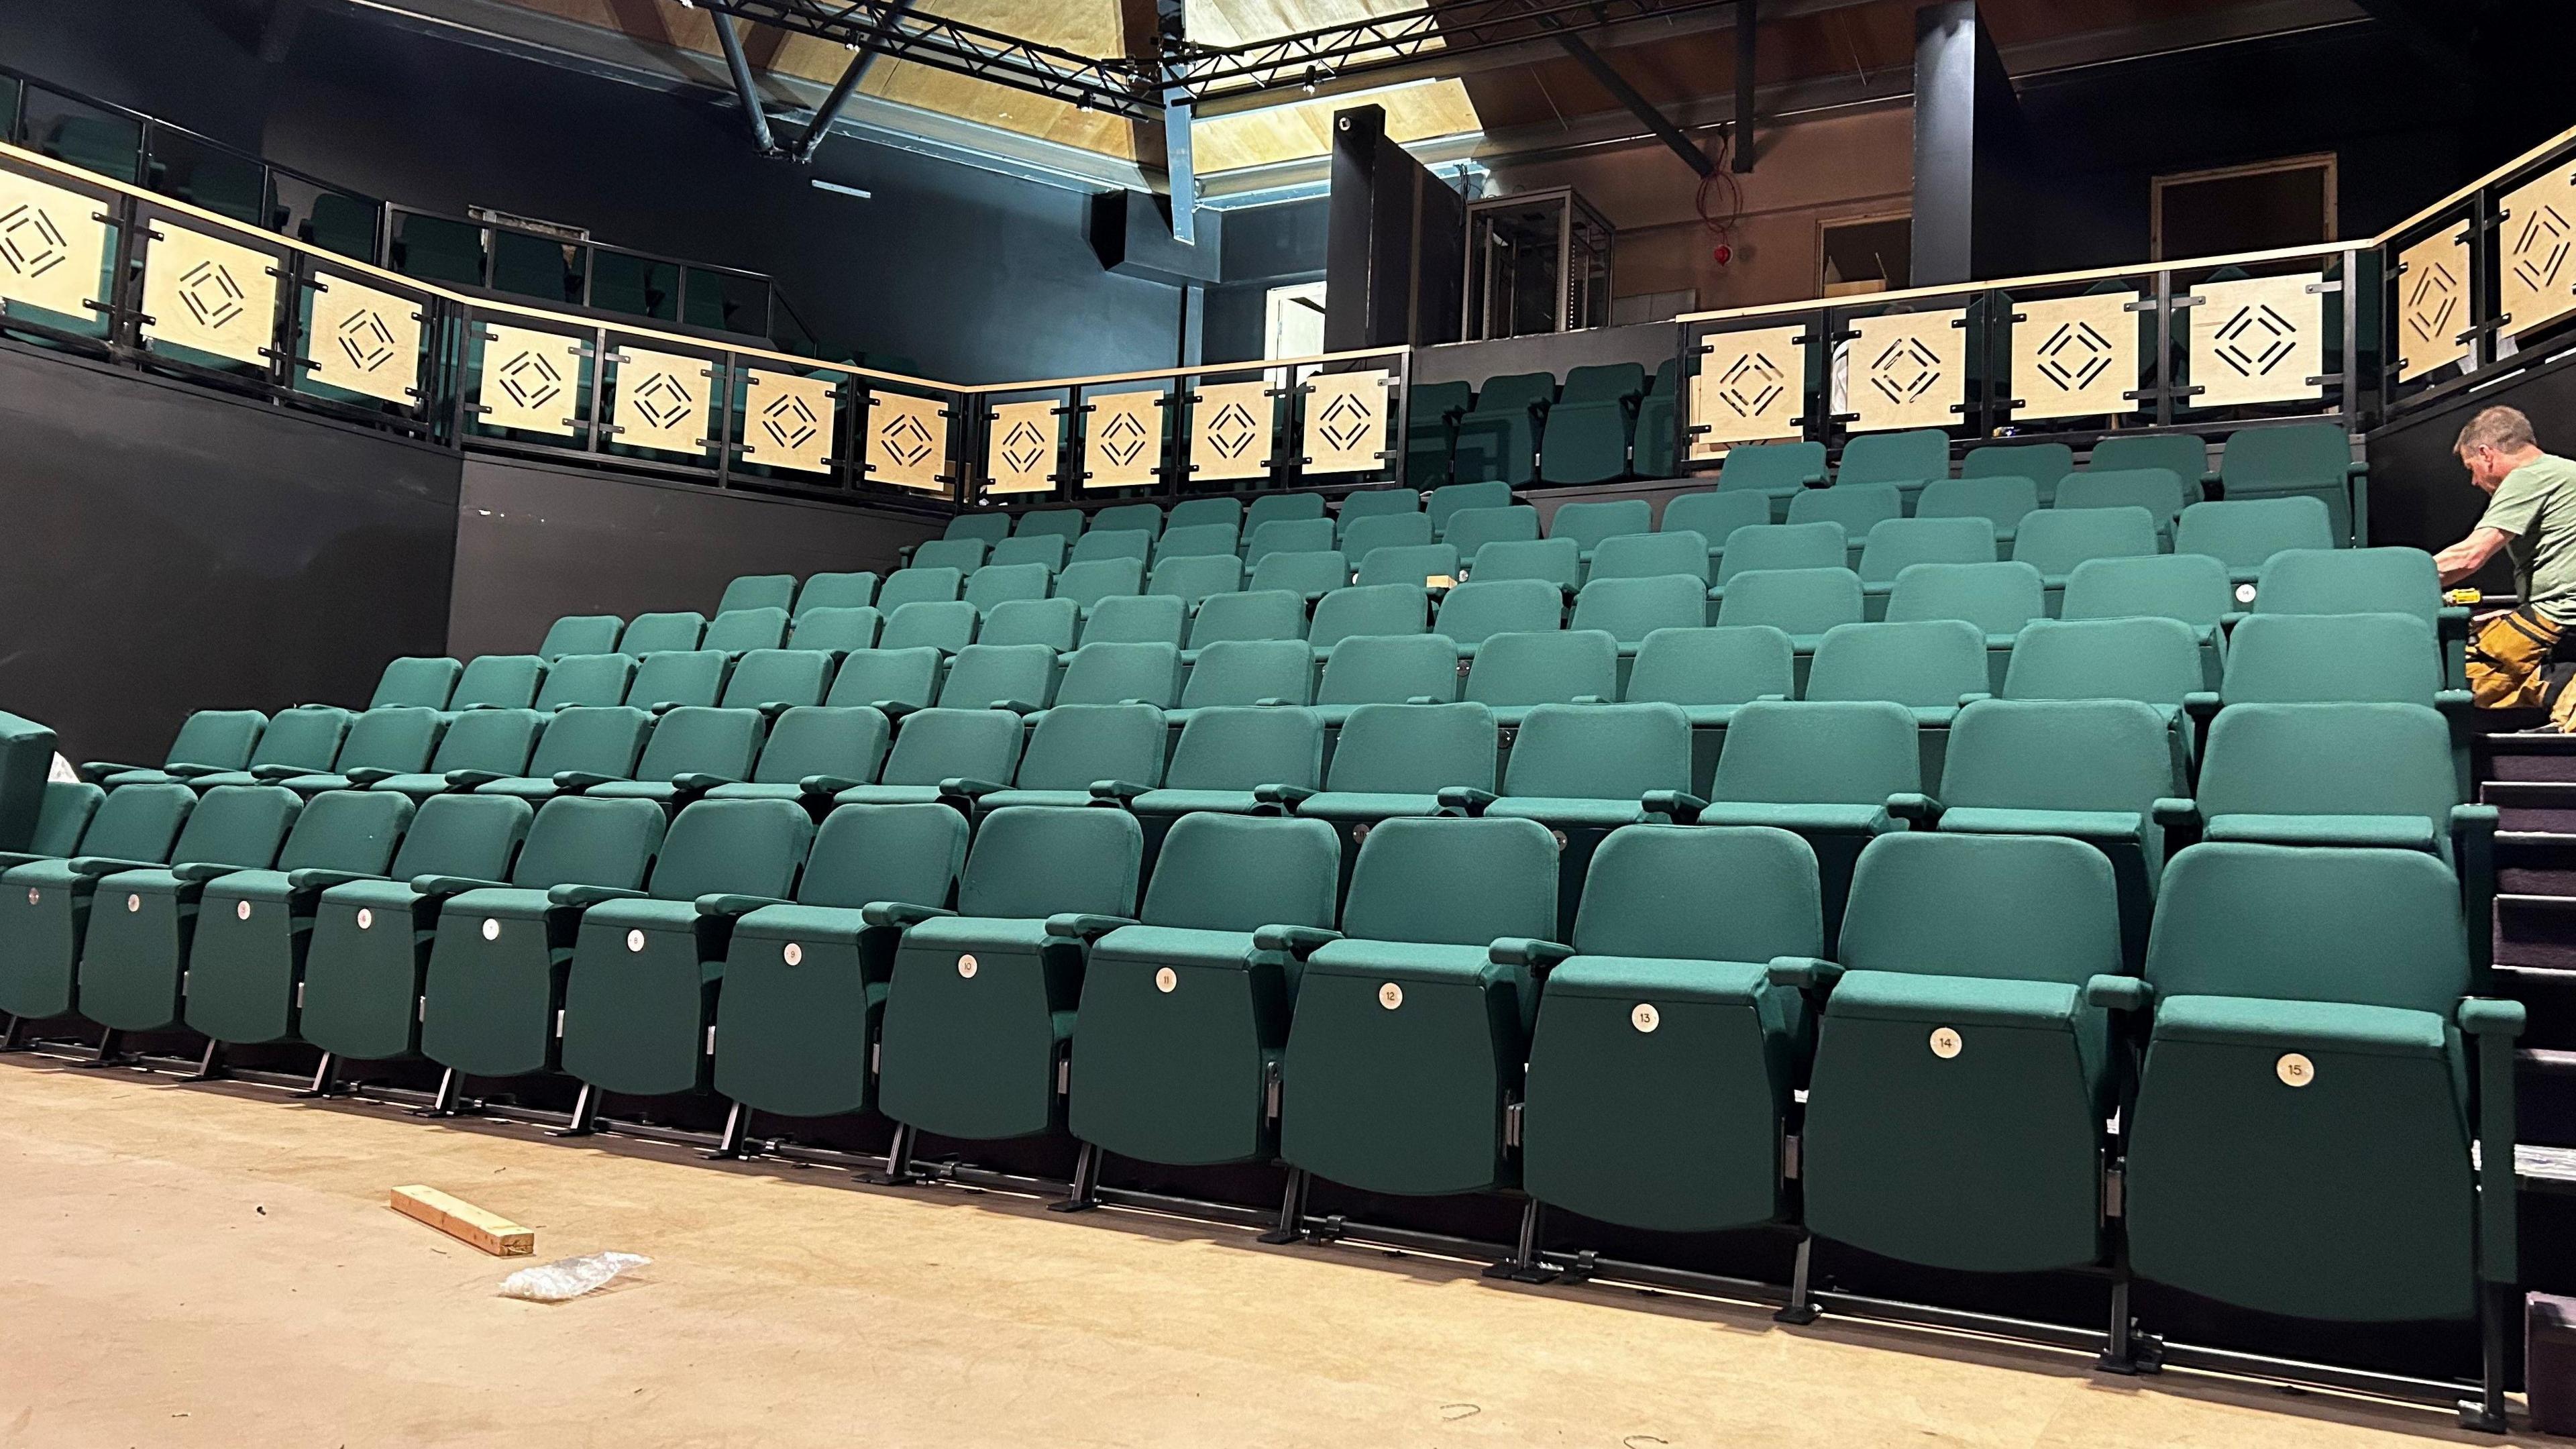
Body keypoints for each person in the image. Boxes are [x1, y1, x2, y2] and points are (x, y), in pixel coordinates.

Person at [2438, 405, 2576, 712]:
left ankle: (2564, 684)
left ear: (2487, 454)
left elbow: (2469, 557)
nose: (2474, 481)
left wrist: (2398, 580)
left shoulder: (2529, 476)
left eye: (2470, 467)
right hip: (2559, 613)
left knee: (2458, 678)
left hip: (2560, 614)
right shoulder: (2566, 471)